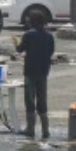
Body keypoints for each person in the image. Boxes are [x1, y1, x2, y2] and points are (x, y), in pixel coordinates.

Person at [16, 12, 56, 140]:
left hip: (30, 71)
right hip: (43, 71)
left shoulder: (28, 35)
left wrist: (16, 43)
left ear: (32, 22)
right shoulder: (49, 36)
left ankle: (30, 129)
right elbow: (51, 52)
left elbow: (20, 49)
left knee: (29, 99)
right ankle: (45, 130)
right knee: (42, 99)